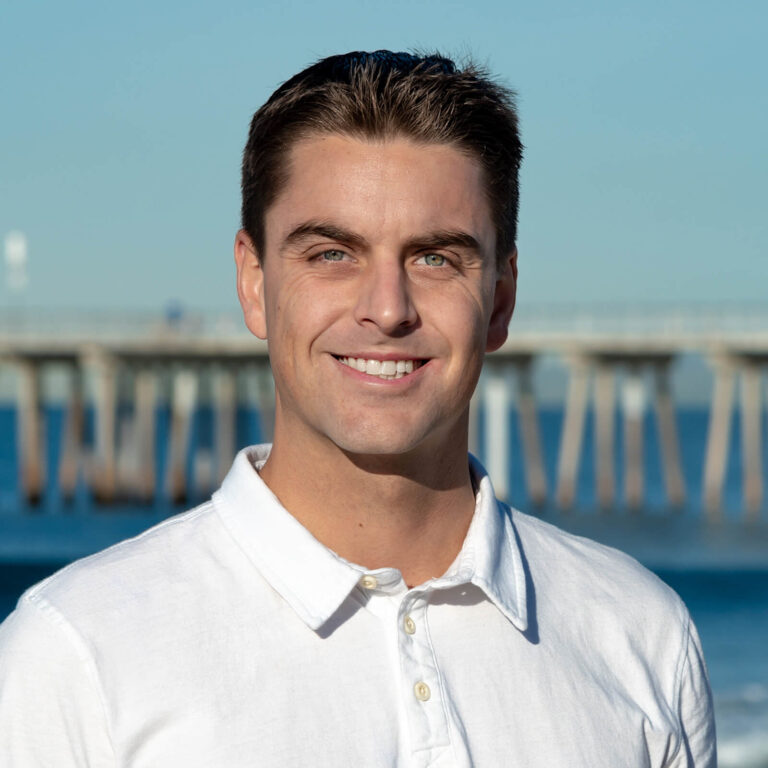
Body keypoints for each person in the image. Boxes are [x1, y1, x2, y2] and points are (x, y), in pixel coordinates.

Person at [0, 50, 715, 766]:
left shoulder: (641, 637)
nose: (387, 309)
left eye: (435, 258)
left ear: (500, 297)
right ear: (254, 283)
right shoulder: (78, 656)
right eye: (332, 254)